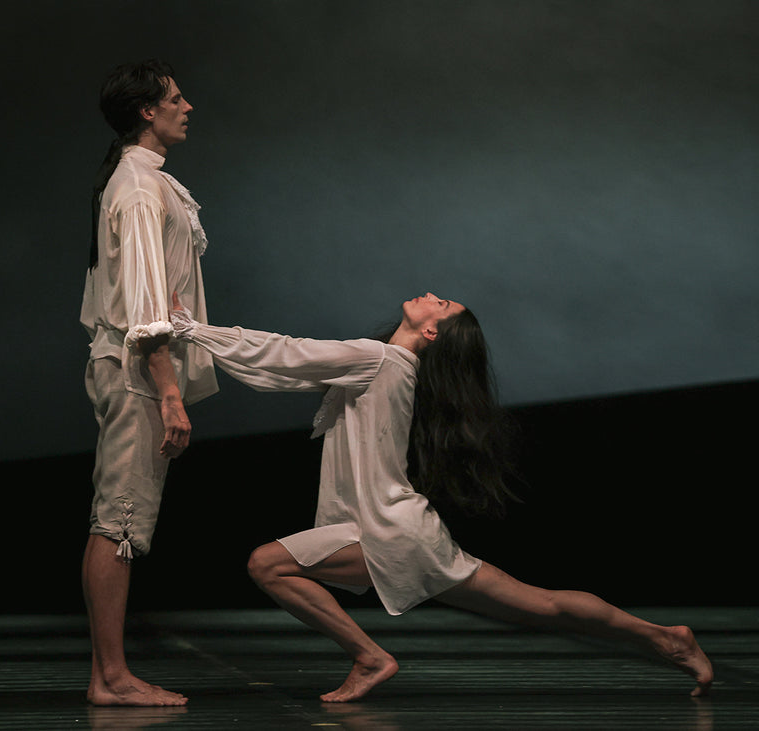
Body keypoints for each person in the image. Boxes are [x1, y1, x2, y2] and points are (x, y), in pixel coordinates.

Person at [168, 292, 714, 702]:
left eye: (442, 303)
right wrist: (197, 335)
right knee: (540, 604)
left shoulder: (378, 360)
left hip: (384, 531)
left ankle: (369, 657)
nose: (430, 294)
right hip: (400, 530)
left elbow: (283, 354)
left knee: (267, 565)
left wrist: (192, 331)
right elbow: (288, 369)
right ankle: (666, 638)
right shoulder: (386, 364)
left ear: (431, 331)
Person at [79, 60, 217, 706]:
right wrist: (167, 390)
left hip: (140, 371)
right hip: (138, 374)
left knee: (126, 518)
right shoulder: (137, 186)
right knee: (120, 521)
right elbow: (145, 304)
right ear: (147, 112)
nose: (187, 107)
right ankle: (111, 676)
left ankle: (109, 674)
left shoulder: (147, 182)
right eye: (176, 98)